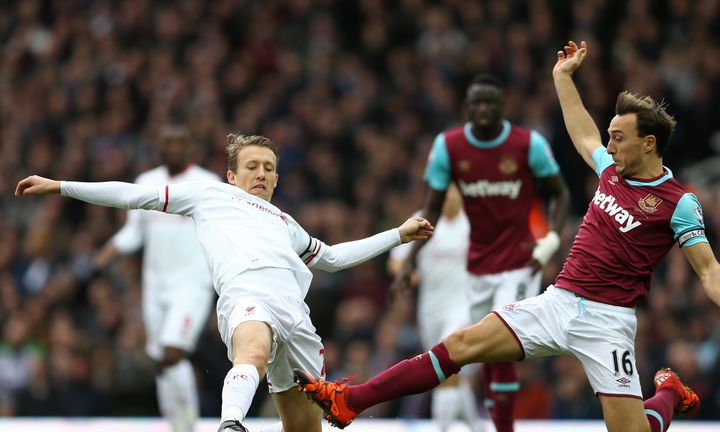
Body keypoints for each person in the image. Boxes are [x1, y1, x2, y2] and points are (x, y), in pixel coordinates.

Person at [292, 40, 720, 432]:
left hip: (609, 321)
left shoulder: (678, 202)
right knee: (460, 346)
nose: (609, 143)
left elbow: (707, 266)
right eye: (610, 135)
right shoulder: (610, 171)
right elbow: (583, 136)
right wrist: (562, 79)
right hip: (558, 301)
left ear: (649, 143)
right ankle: (351, 401)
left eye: (619, 136)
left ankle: (667, 392)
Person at [15, 133, 434, 432]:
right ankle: (231, 424)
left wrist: (397, 233)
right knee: (252, 350)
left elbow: (335, 258)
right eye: (251, 166)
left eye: (269, 168)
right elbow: (133, 195)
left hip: (297, 316)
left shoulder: (287, 224)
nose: (261, 174)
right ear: (232, 175)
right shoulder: (209, 195)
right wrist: (60, 186)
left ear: (276, 179)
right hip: (246, 294)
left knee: (305, 428)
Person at [391, 72, 571, 432]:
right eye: (477, 103)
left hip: (519, 262)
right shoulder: (448, 147)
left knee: (500, 337)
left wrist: (550, 240)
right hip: (478, 269)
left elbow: (559, 193)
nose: (485, 109)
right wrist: (408, 262)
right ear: (467, 108)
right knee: (478, 356)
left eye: (491, 102)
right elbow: (432, 208)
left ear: (503, 106)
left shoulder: (528, 144)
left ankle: (501, 429)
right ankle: (480, 425)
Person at [91, 125, 219, 432]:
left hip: (192, 284)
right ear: (159, 148)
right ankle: (178, 425)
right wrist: (112, 248)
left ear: (190, 147)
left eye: (179, 143)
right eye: (168, 143)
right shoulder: (147, 183)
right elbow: (135, 231)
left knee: (174, 351)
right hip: (155, 285)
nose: (173, 148)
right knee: (161, 360)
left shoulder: (207, 184)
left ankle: (189, 425)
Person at [387, 184, 482, 432]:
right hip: (430, 311)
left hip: (465, 308)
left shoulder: (475, 221)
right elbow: (396, 261)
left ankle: (442, 428)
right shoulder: (424, 220)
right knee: (452, 376)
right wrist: (407, 274)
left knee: (447, 367)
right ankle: (476, 427)